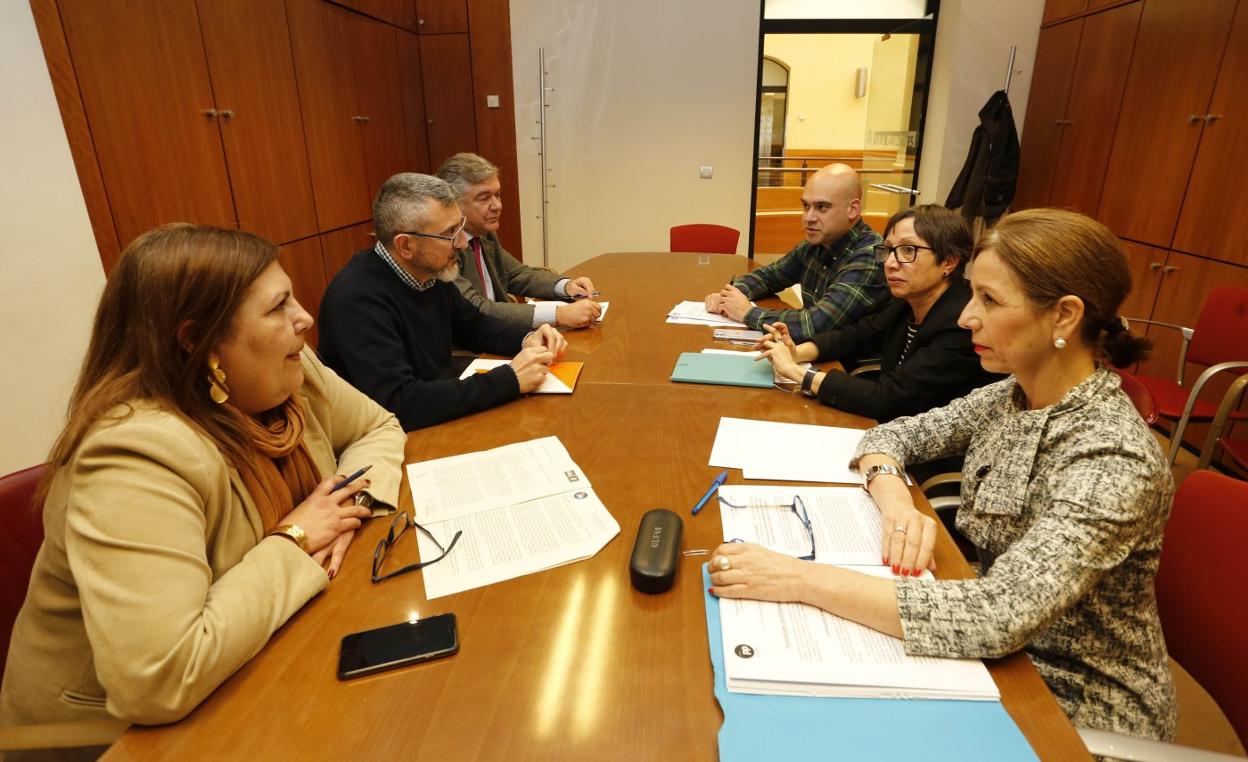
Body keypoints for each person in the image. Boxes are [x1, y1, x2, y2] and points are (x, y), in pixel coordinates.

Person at [709, 209, 1177, 743]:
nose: (966, 317)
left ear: (1064, 316)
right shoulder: (1013, 395)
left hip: (1072, 706)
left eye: (990, 300)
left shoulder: (1111, 454)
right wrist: (896, 503)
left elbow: (997, 616)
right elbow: (893, 435)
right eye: (973, 295)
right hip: (997, 659)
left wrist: (798, 579)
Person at [0, 225, 405, 732]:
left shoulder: (286, 367)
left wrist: (347, 505)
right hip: (109, 739)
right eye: (278, 307)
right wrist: (298, 537)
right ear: (198, 341)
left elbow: (378, 427)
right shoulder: (133, 455)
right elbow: (161, 677)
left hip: (266, 654)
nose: (304, 318)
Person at [318, 173, 568, 431]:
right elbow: (400, 404)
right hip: (397, 434)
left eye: (460, 227)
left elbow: (473, 326)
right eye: (450, 233)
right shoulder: (357, 300)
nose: (462, 243)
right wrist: (510, 379)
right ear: (406, 246)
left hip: (438, 415)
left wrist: (527, 339)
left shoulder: (429, 270)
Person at [757, 205, 999, 422]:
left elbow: (892, 399)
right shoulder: (909, 299)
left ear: (948, 262)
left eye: (908, 250)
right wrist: (796, 352)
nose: (890, 263)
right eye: (889, 250)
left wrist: (797, 372)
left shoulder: (962, 323)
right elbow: (858, 334)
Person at [702, 163, 888, 342]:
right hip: (810, 351)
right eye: (806, 206)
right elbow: (769, 276)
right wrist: (732, 295)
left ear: (852, 209)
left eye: (822, 207)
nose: (809, 218)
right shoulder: (815, 244)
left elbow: (816, 324)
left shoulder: (870, 255)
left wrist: (747, 313)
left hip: (844, 360)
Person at [436, 152, 602, 330]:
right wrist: (557, 315)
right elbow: (477, 308)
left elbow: (517, 274)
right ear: (454, 204)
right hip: (473, 342)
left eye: (498, 195)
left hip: (501, 332)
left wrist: (565, 286)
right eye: (484, 198)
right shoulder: (443, 247)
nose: (497, 206)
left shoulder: (484, 233)